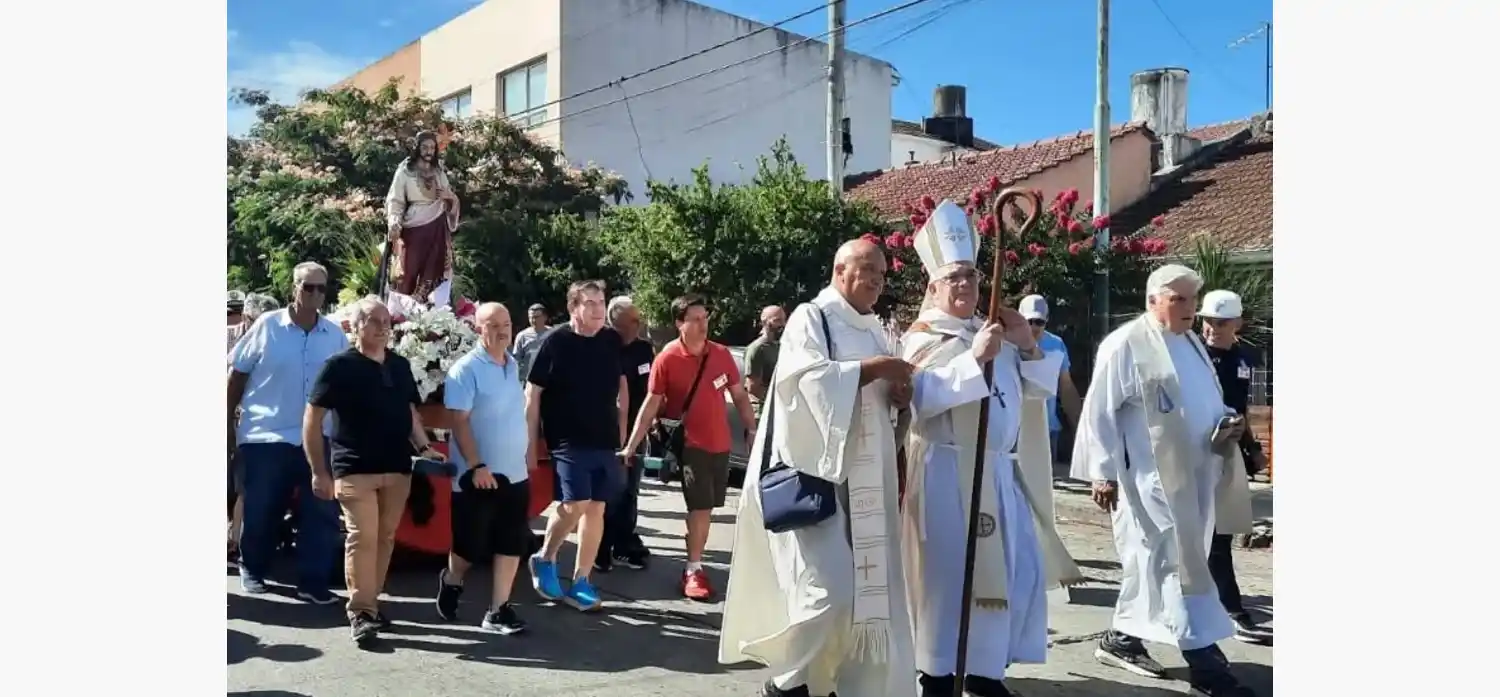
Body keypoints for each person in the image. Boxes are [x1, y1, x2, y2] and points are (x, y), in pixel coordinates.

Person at [718, 238, 918, 697]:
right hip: (815, 480)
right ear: (838, 269)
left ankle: (826, 683)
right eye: (867, 269)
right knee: (827, 595)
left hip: (865, 484)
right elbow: (808, 381)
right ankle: (785, 684)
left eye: (882, 274)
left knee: (865, 598)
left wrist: (899, 399)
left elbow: (883, 411)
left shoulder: (874, 329)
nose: (876, 280)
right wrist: (873, 369)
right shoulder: (814, 316)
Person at [901, 202, 1081, 697]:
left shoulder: (993, 330)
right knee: (947, 577)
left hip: (998, 473)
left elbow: (1037, 391)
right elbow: (917, 402)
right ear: (933, 287)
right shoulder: (923, 339)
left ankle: (984, 671)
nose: (965, 285)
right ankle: (937, 673)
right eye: (953, 277)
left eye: (972, 276)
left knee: (1008, 571)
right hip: (944, 470)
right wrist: (972, 360)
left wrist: (1024, 344)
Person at [1070, 265, 1257, 697]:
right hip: (1152, 480)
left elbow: (1202, 397)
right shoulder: (1126, 345)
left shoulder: (1188, 341)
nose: (1190, 308)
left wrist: (1223, 424)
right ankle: (1205, 665)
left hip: (1197, 473)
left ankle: (1122, 639)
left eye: (1192, 299)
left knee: (1153, 566)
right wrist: (1102, 473)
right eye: (1179, 300)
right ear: (1153, 300)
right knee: (1178, 566)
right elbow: (1100, 410)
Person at [305, 296, 440, 646]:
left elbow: (410, 413)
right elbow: (313, 418)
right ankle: (361, 611)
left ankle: (372, 603)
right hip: (353, 468)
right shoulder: (338, 367)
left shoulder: (399, 365)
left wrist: (424, 446)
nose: (383, 328)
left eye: (387, 322)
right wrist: (319, 471)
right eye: (375, 322)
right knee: (362, 537)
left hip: (396, 468)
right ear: (357, 326)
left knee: (385, 537)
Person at [620, 294, 755, 601]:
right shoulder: (667, 358)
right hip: (691, 444)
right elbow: (651, 403)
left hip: (720, 444)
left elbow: (740, 396)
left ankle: (694, 563)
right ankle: (693, 569)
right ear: (679, 323)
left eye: (705, 318)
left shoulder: (720, 355)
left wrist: (751, 428)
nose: (702, 324)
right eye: (694, 319)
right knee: (700, 508)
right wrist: (632, 444)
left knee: (706, 509)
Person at [227, 262, 348, 603]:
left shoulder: (334, 335)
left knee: (321, 510)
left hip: (317, 438)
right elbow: (236, 374)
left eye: (320, 289)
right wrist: (226, 425)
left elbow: (345, 384)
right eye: (307, 287)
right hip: (267, 434)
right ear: (293, 289)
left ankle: (312, 583)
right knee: (263, 506)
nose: (314, 295)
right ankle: (253, 568)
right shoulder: (268, 326)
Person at [525, 280, 631, 612]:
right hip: (566, 439)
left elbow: (622, 387)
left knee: (597, 508)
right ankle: (545, 557)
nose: (599, 309)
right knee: (576, 503)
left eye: (601, 302)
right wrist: (530, 445)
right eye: (591, 303)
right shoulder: (556, 341)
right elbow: (533, 393)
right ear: (574, 308)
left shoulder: (612, 340)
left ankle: (582, 581)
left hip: (604, 438)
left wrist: (623, 433)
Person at [435, 302, 532, 635]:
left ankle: (498, 610)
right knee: (470, 545)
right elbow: (458, 423)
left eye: (506, 323)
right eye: (493, 325)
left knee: (511, 540)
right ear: (478, 328)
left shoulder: (512, 364)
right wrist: (476, 465)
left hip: (514, 472)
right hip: (476, 475)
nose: (502, 330)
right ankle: (452, 578)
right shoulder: (465, 370)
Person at [1198, 290, 1271, 645]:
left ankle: (1220, 604)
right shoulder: (1193, 356)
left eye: (1221, 322)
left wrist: (1252, 447)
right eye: (1208, 320)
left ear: (1237, 324)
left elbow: (1238, 409)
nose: (1212, 328)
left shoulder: (1243, 359)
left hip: (1228, 454)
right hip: (1193, 456)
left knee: (1222, 532)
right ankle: (1229, 608)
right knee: (1212, 536)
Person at [596, 295, 654, 572]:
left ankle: (623, 545)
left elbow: (651, 390)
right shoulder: (602, 344)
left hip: (637, 431)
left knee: (630, 491)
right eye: (633, 320)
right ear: (616, 322)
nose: (639, 324)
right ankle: (600, 547)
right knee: (609, 493)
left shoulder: (645, 349)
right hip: (607, 432)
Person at [228, 292, 283, 560]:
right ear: (247, 317)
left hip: (255, 424)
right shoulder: (228, 337)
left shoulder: (275, 339)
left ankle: (236, 538)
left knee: (245, 483)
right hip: (231, 414)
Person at [385, 130, 461, 298]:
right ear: (417, 148)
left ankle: (430, 307)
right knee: (408, 271)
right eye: (425, 147)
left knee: (435, 269)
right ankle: (404, 310)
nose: (428, 151)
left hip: (437, 225)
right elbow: (395, 199)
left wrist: (449, 198)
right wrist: (394, 220)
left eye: (432, 148)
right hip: (413, 226)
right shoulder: (405, 170)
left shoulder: (438, 171)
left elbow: (450, 197)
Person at [1016, 295, 1083, 461]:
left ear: (1046, 320)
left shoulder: (1056, 345)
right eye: (1029, 321)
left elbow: (1066, 387)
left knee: (1045, 485)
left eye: (1039, 322)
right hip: (1016, 429)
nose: (1034, 326)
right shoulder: (1008, 343)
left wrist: (1080, 429)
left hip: (1048, 430)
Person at [743, 304, 787, 405]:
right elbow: (753, 388)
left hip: (780, 407)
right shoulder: (757, 349)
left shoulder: (781, 346)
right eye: (777, 320)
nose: (783, 324)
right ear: (765, 322)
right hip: (762, 409)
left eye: (784, 320)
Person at [514, 303, 552, 380]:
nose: (533, 320)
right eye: (531, 317)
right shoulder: (522, 336)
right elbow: (516, 360)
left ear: (545, 317)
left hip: (550, 380)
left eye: (537, 317)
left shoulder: (553, 334)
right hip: (528, 381)